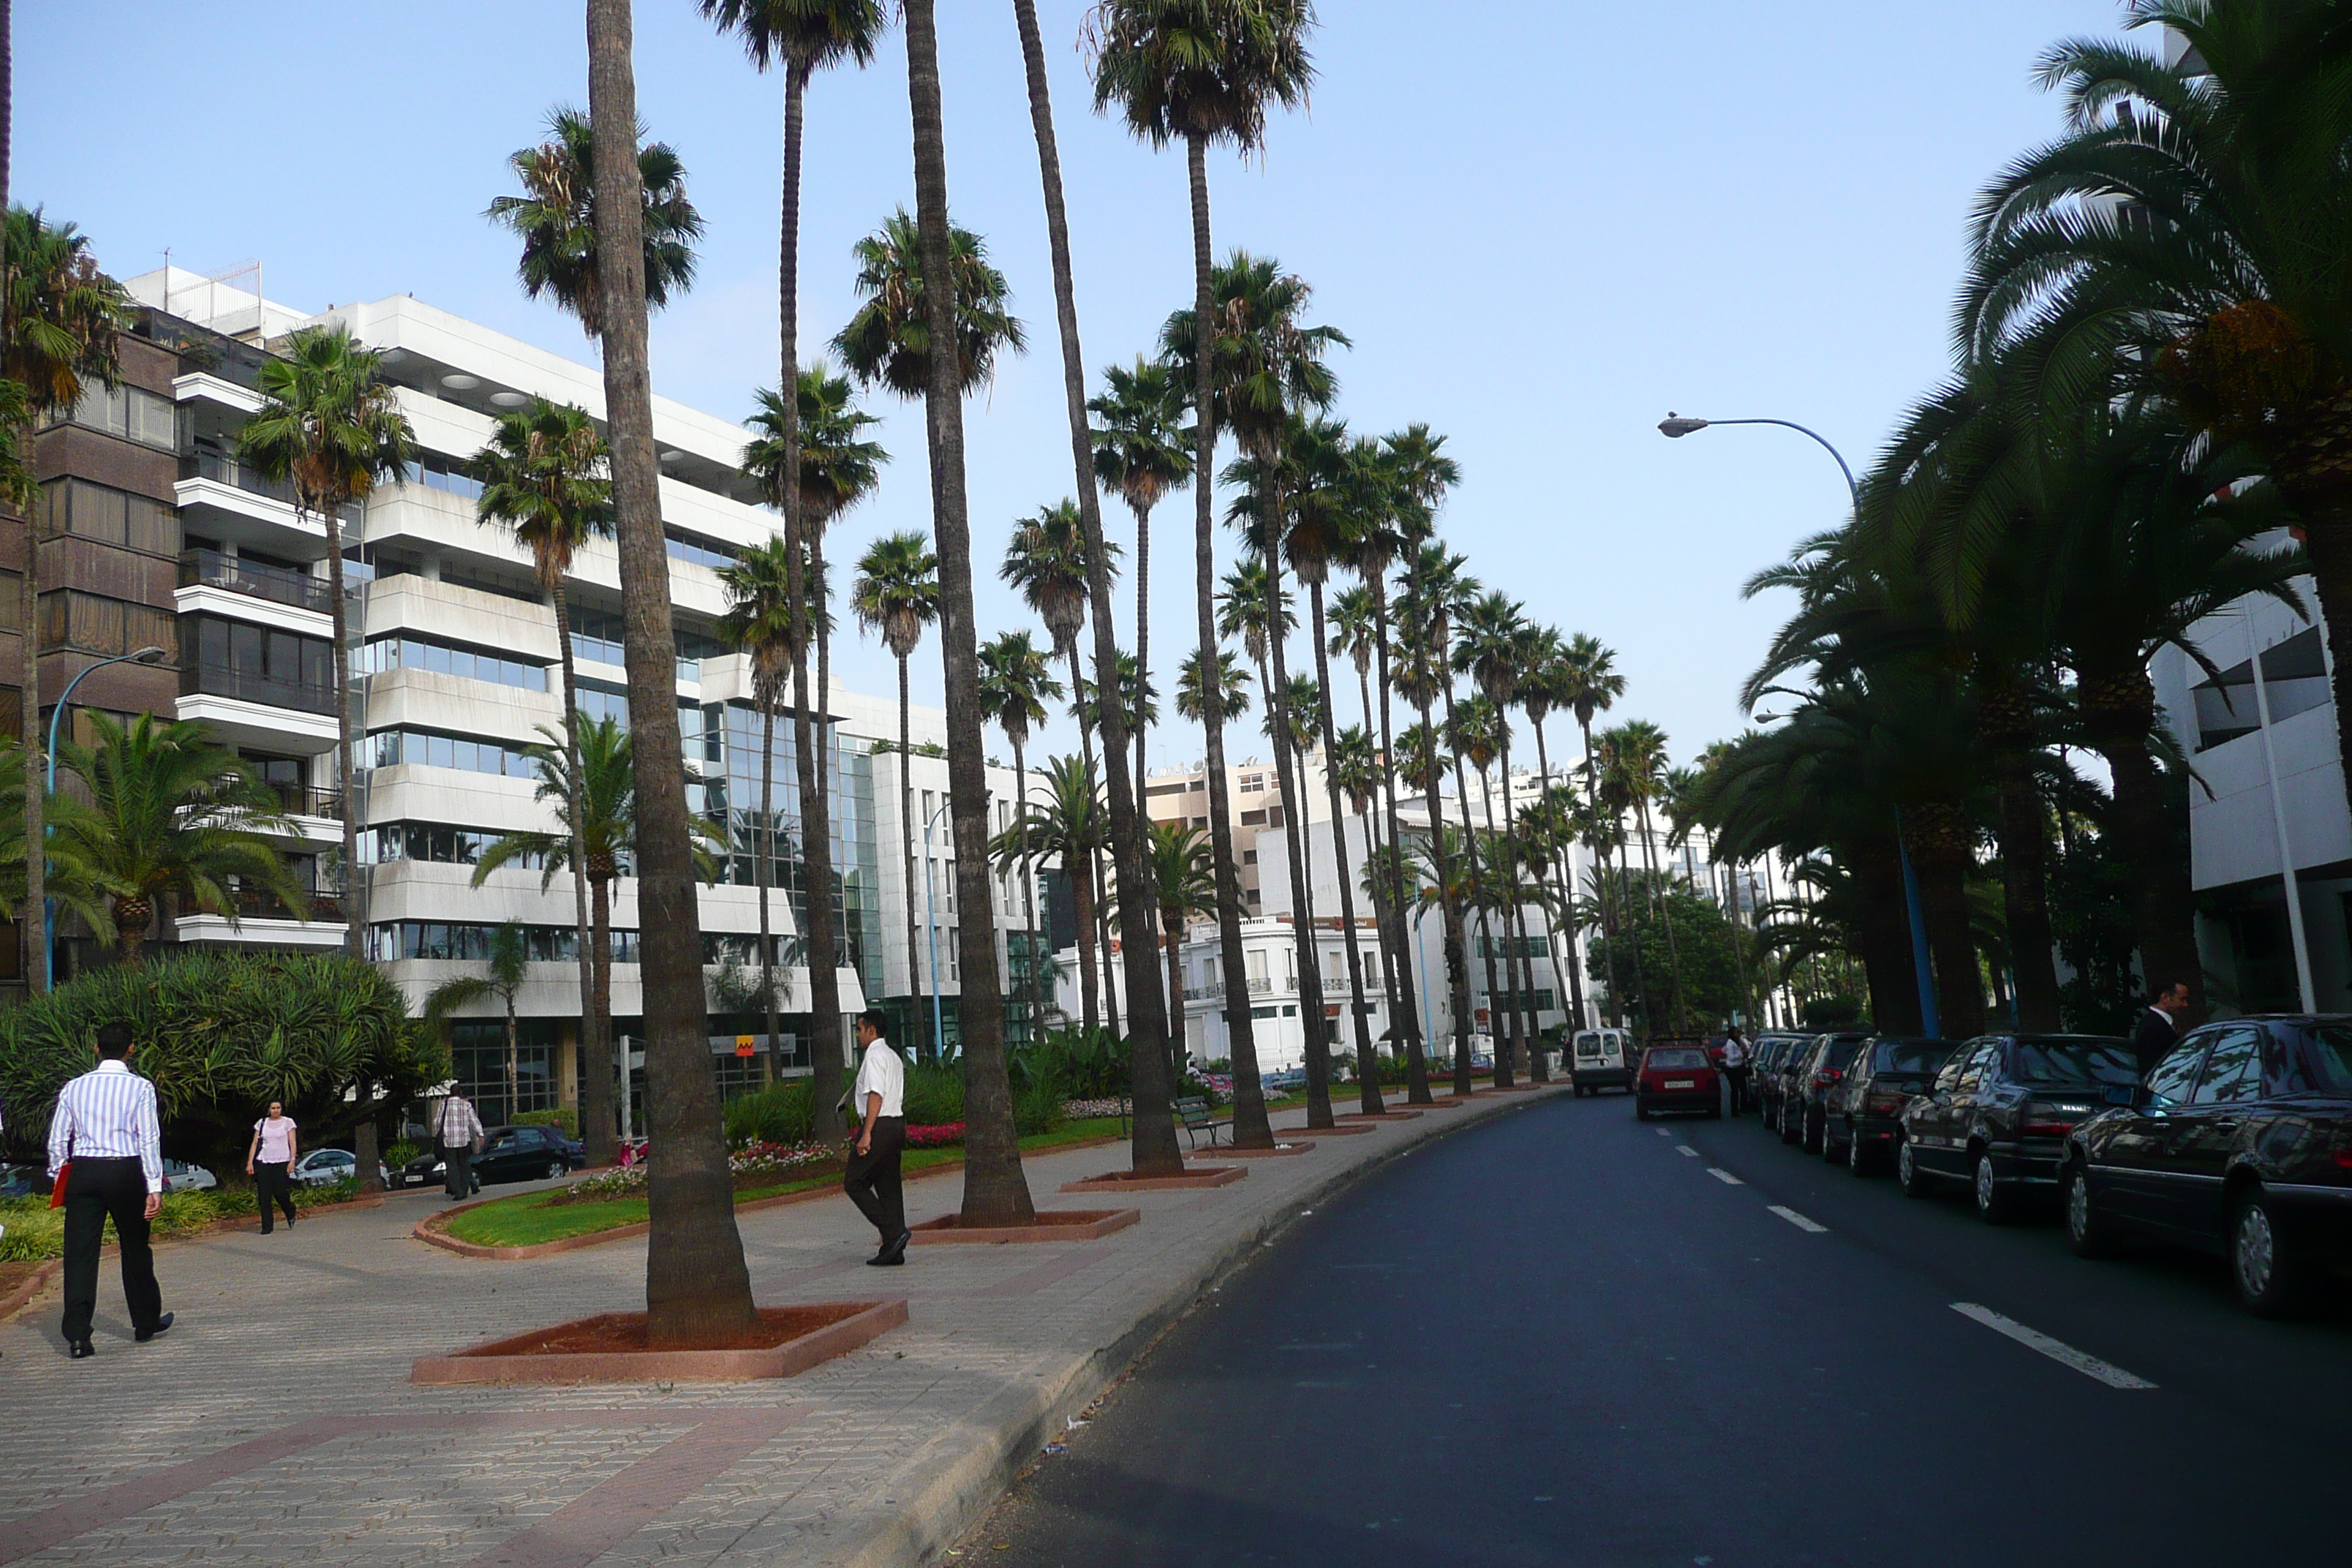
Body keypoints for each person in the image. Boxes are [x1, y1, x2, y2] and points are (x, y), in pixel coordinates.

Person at [48, 1022, 171, 1358]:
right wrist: (153, 1185)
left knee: (80, 1255)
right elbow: (148, 1138)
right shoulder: (140, 1088)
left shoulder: (74, 1087)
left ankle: (77, 1336)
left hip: (85, 1171)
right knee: (134, 1248)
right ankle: (145, 1322)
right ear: (131, 1049)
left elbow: (58, 1139)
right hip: (125, 1170)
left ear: (95, 1048)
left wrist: (60, 1173)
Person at [843, 1009, 909, 1266]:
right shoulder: (892, 1056)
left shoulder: (873, 1057)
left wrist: (866, 1134)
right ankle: (894, 1250)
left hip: (879, 1126)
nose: (858, 1035)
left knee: (854, 1181)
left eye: (859, 1029)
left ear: (871, 1029)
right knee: (888, 1187)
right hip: (896, 1125)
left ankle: (894, 1233)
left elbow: (875, 1095)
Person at [245, 1100, 300, 1233]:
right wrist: (250, 1162)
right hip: (264, 1160)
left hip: (282, 1161)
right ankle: (267, 1227)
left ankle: (290, 1211)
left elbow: (292, 1143)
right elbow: (254, 1143)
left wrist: (292, 1160)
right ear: (269, 1109)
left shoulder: (288, 1122)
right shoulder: (262, 1123)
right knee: (264, 1195)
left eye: (278, 1108)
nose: (276, 1110)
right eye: (273, 1108)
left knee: (280, 1191)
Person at [2133, 980, 2190, 1076]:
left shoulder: (2156, 1023)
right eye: (2182, 999)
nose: (2185, 1004)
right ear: (2165, 998)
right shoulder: (2152, 1027)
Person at [434, 1090, 484, 1199]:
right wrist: (480, 1135)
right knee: (464, 1165)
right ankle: (464, 1190)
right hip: (464, 1141)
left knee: (452, 1167)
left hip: (449, 1141)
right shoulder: (466, 1105)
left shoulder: (444, 1105)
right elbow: (474, 1121)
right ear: (460, 1093)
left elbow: (438, 1122)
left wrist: (439, 1134)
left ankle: (457, 1191)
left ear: (451, 1093)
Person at [1722, 1027, 1752, 1115]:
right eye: (1737, 1032)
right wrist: (1742, 1054)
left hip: (1738, 1067)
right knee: (1735, 1089)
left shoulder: (1736, 1042)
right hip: (1733, 1069)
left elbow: (1723, 1050)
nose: (1738, 1034)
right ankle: (1735, 1110)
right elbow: (1731, 1057)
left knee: (1743, 1089)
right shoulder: (1731, 1044)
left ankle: (1743, 1108)